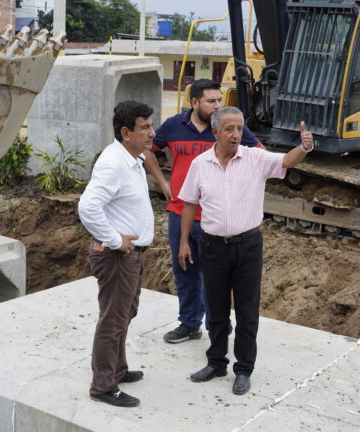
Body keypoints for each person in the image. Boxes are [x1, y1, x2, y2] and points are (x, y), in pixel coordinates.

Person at [177, 106, 314, 395]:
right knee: (215, 310)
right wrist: (184, 240)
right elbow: (189, 202)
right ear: (215, 132)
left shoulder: (255, 159)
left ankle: (243, 369)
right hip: (212, 246)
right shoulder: (200, 164)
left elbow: (287, 161)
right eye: (229, 129)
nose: (235, 134)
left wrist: (304, 146)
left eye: (239, 128)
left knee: (247, 312)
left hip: (248, 246)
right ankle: (216, 363)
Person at [144, 80, 261, 344]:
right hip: (180, 213)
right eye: (212, 101)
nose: (218, 105)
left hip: (215, 218)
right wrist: (163, 182)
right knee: (184, 270)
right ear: (194, 102)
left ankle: (218, 328)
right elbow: (150, 150)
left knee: (215, 278)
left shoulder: (225, 127)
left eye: (219, 100)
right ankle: (189, 323)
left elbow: (258, 155)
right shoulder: (174, 126)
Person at [78, 100, 156, 407]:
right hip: (117, 257)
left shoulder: (131, 158)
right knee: (112, 321)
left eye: (151, 125)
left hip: (130, 255)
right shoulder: (113, 162)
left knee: (124, 314)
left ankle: (118, 370)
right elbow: (87, 207)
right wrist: (114, 240)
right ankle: (103, 385)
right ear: (126, 132)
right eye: (145, 127)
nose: (152, 132)